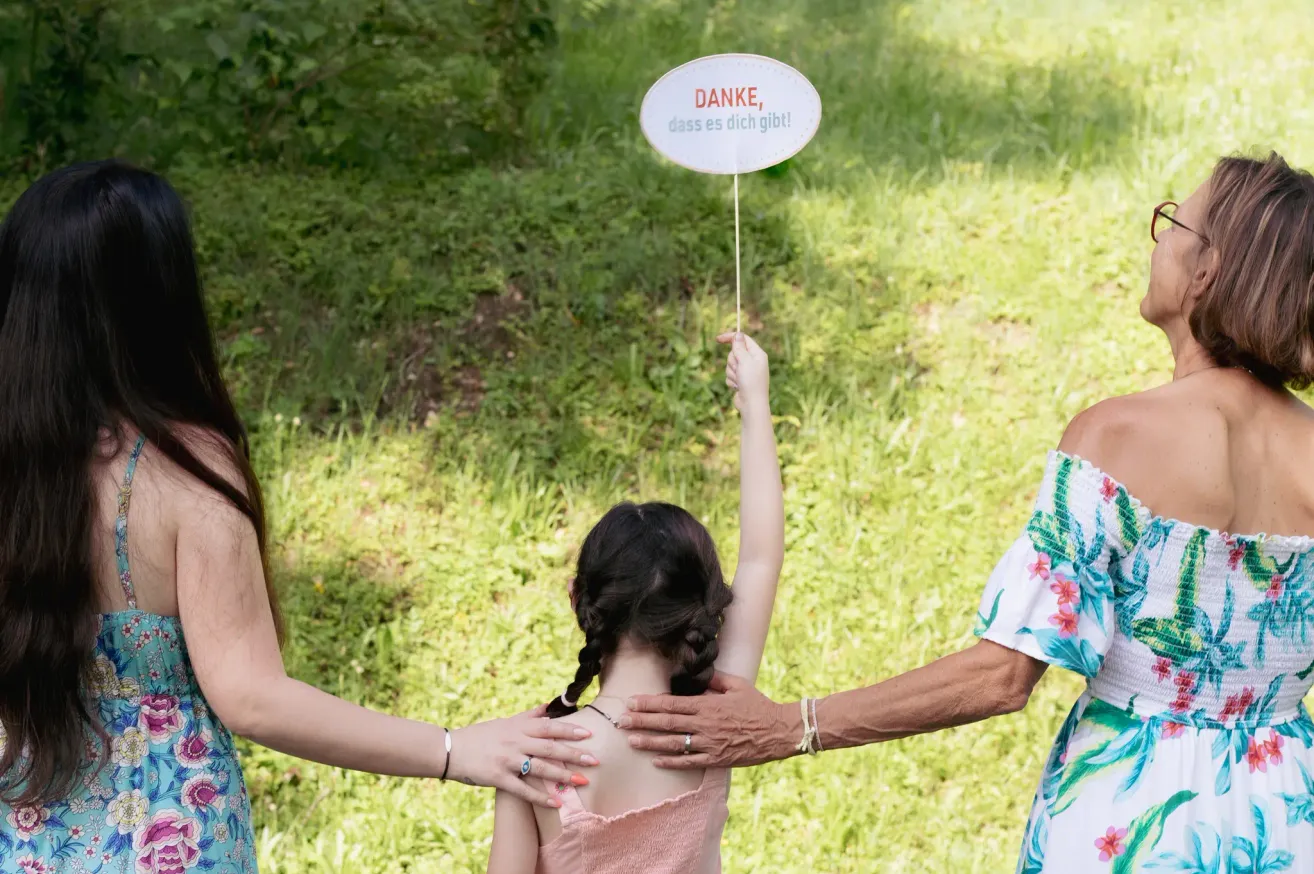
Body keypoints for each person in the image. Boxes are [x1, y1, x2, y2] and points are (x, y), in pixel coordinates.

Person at [622, 152, 1314, 870]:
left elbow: (1002, 677)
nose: (1157, 239)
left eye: (1173, 222)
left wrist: (791, 727)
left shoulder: (1118, 437)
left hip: (1133, 821)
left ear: (1207, 270)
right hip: (1289, 816)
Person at [0, 161, 596, 873]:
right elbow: (252, 696)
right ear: (160, 300)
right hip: (169, 833)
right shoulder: (185, 468)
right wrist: (451, 749)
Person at [487, 332, 784, 874]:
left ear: (579, 599)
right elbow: (762, 558)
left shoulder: (535, 759)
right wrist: (755, 405)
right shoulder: (716, 724)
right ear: (705, 612)